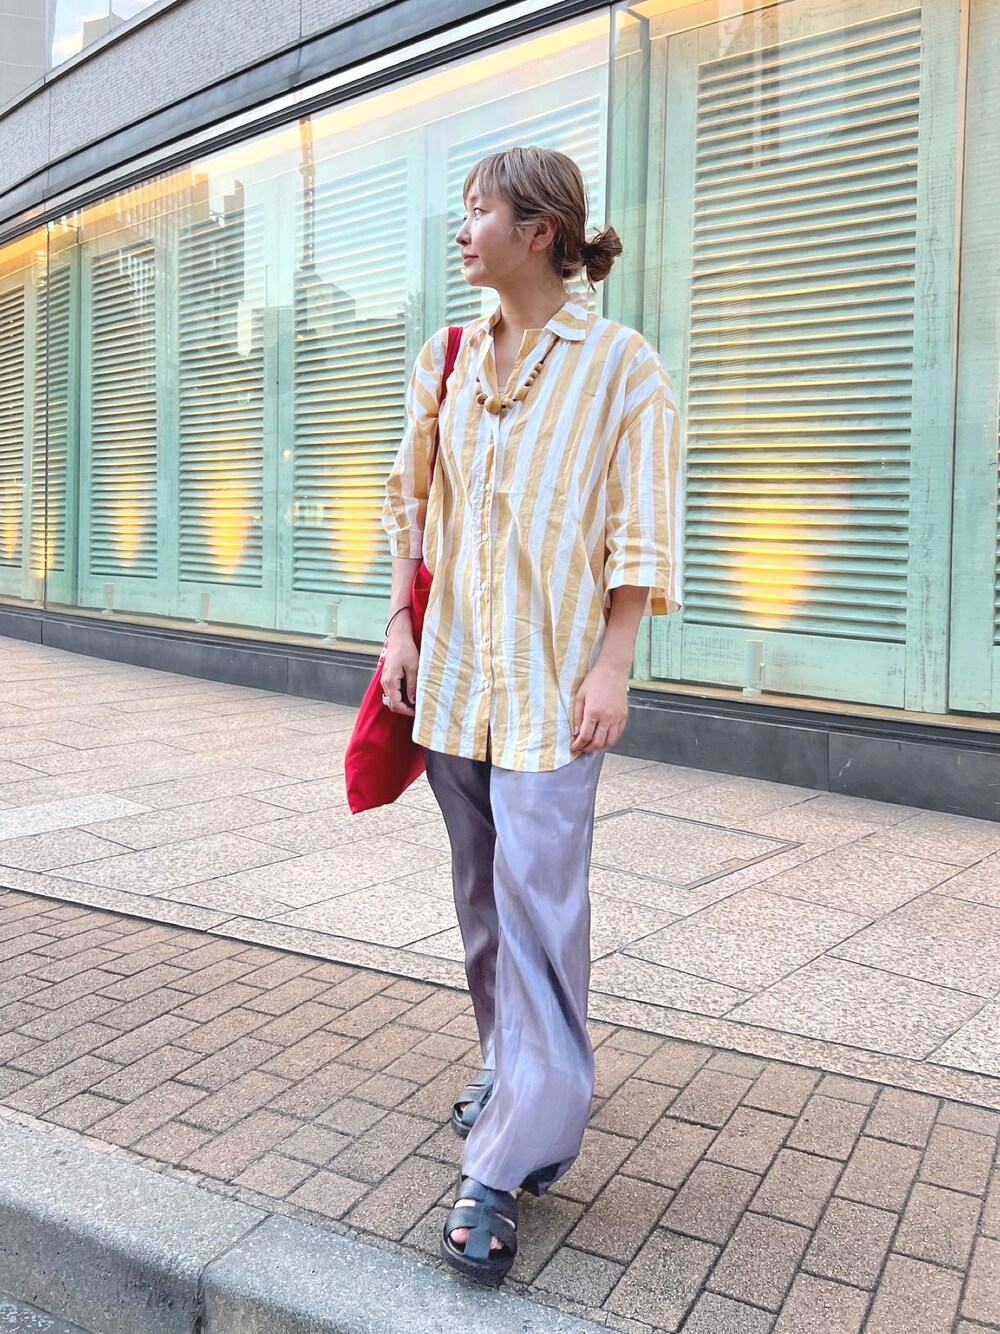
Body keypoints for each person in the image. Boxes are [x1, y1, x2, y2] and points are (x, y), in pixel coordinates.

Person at [380, 146, 681, 1283]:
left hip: (555, 691)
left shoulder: (623, 367)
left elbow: (641, 528)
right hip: (456, 682)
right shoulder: (446, 358)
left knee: (541, 912)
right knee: (481, 904)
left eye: (478, 212)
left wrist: (614, 665)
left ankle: (499, 1168)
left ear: (539, 230)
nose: (461, 231)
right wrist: (399, 629)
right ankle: (513, 1068)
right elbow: (412, 504)